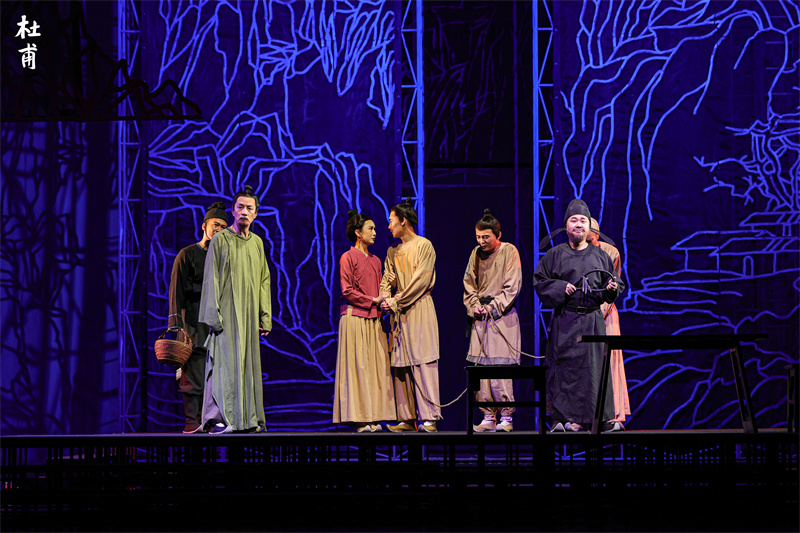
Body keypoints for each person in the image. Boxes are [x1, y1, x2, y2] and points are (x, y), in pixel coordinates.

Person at [533, 199, 624, 432]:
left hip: (593, 320)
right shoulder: (555, 254)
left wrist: (611, 289)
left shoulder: (600, 255)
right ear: (566, 226)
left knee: (595, 369)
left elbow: (615, 283)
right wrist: (559, 287)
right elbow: (540, 281)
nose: (579, 224)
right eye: (574, 220)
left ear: (589, 226)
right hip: (566, 319)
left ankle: (601, 419)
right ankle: (563, 419)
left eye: (583, 220)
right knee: (565, 368)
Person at [199, 185, 272, 434]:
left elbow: (264, 280)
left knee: (247, 365)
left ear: (256, 213)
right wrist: (214, 317)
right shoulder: (220, 240)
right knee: (224, 365)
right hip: (226, 315)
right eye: (240, 207)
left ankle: (247, 418)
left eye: (249, 208)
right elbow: (211, 278)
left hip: (249, 315)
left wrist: (265, 316)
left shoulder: (257, 243)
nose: (244, 212)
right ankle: (219, 419)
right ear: (233, 210)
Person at [380, 200, 442, 432]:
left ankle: (429, 418)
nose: (389, 226)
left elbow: (420, 281)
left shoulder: (424, 246)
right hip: (399, 313)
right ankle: (406, 418)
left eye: (391, 221)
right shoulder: (393, 251)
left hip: (418, 308)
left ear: (403, 221)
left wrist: (395, 300)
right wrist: (386, 297)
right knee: (400, 364)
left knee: (423, 360)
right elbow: (386, 280)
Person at [168, 202, 229, 433]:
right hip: (193, 323)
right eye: (216, 224)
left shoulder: (225, 258)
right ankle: (192, 421)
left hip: (217, 326)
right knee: (193, 374)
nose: (219, 229)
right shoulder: (188, 254)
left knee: (215, 376)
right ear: (204, 225)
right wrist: (176, 326)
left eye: (223, 227)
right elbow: (176, 292)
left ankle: (213, 420)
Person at [333, 210, 396, 432]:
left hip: (374, 319)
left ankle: (374, 416)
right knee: (357, 367)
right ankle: (360, 418)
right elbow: (347, 290)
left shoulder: (377, 260)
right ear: (358, 233)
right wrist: (373, 300)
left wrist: (388, 294)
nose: (375, 232)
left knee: (375, 367)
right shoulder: (348, 257)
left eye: (375, 228)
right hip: (354, 317)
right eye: (371, 228)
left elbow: (381, 289)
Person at [463, 209, 522, 432]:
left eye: (486, 236)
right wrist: (474, 306)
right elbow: (469, 283)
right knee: (481, 369)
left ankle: (506, 418)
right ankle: (488, 416)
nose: (481, 241)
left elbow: (512, 286)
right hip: (480, 318)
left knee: (500, 368)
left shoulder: (509, 251)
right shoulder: (475, 253)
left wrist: (492, 307)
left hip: (501, 318)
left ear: (498, 235)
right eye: (478, 236)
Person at [587, 217, 630, 426]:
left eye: (590, 237)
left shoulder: (610, 252)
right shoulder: (570, 253)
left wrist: (597, 313)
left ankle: (613, 414)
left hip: (604, 313)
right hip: (580, 315)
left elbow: (612, 285)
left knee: (609, 362)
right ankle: (581, 416)